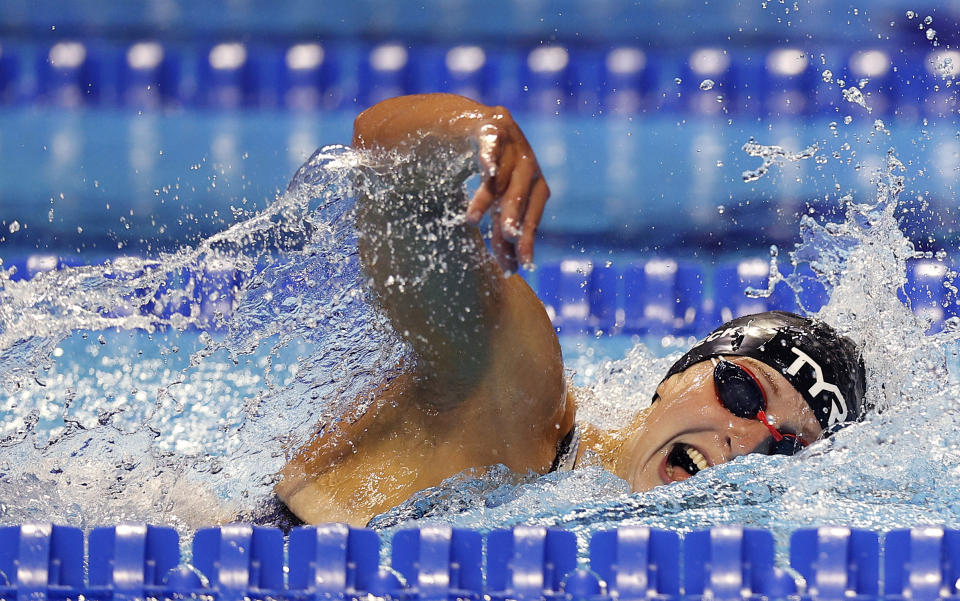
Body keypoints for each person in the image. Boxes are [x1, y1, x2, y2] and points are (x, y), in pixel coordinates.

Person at [273, 93, 867, 527]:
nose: (746, 441)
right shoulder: (521, 400)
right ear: (678, 376)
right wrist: (478, 129)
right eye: (742, 393)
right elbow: (388, 171)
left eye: (788, 445)